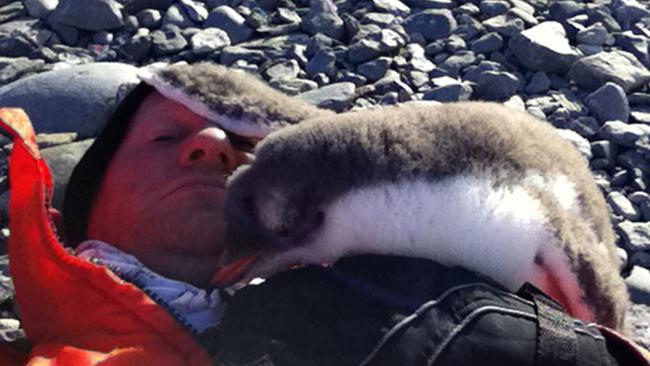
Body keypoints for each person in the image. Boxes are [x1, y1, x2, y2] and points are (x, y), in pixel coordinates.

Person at [0, 62, 647, 365]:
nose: (216, 147)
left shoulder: (394, 273)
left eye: (249, 152)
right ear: (75, 210)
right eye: (166, 139)